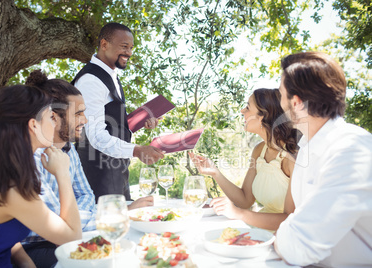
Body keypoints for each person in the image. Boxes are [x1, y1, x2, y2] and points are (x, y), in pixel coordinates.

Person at [20, 70, 155, 267]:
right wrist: (119, 215)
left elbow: (86, 196)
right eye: (78, 113)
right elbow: (59, 224)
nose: (85, 120)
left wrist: (78, 214)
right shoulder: (29, 158)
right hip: (35, 249)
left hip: (72, 235)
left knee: (135, 249)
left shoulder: (68, 149)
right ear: (53, 117)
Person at [274, 51, 372, 267]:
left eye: (281, 94)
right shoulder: (307, 147)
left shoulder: (352, 150)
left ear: (297, 103)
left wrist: (285, 236)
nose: (280, 102)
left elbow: (299, 247)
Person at [0, 85, 82, 268]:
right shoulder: (11, 188)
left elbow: (0, 234)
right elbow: (72, 239)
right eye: (51, 117)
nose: (55, 124)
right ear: (33, 125)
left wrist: (27, 263)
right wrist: (63, 174)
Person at [72, 22, 164, 202]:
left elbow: (111, 122)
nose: (129, 53)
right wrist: (137, 151)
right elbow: (96, 135)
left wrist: (138, 122)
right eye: (124, 47)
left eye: (131, 48)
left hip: (116, 170)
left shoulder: (110, 75)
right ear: (104, 44)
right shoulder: (91, 80)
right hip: (98, 176)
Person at [189, 88, 299, 231]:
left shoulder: (292, 157)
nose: (242, 111)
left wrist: (238, 214)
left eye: (248, 107)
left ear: (262, 117)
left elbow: (289, 219)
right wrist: (215, 172)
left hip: (283, 239)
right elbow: (245, 200)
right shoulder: (259, 150)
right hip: (258, 232)